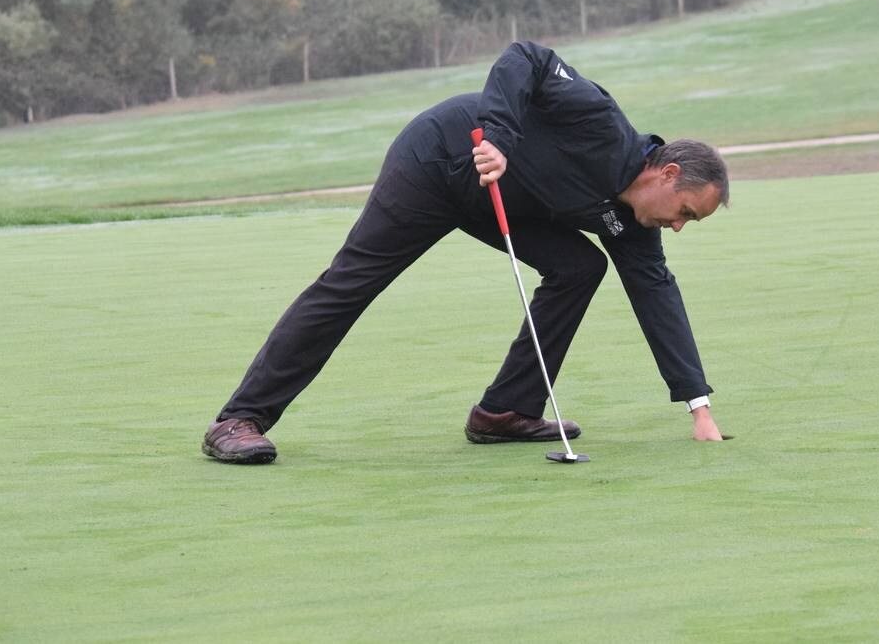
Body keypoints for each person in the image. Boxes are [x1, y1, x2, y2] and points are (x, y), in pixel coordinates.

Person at [202, 40, 731, 463]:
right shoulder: (600, 123)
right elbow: (526, 56)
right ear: (668, 174)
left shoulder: (634, 227)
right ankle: (239, 418)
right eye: (686, 211)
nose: (679, 227)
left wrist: (698, 407)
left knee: (578, 266)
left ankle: (505, 412)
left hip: (502, 201)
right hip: (438, 160)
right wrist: (498, 137)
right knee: (351, 283)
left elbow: (656, 296)